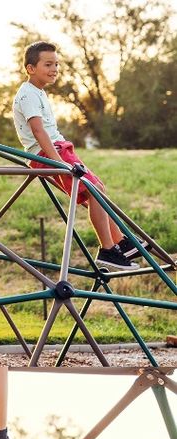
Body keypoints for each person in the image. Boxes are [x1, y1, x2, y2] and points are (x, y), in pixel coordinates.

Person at [13, 42, 145, 270]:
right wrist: (59, 161)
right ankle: (108, 250)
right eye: (48, 64)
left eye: (56, 64)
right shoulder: (27, 95)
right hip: (48, 152)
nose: (54, 68)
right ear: (30, 68)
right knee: (94, 191)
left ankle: (120, 242)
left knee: (98, 189)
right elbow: (38, 131)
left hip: (57, 148)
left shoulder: (39, 92)